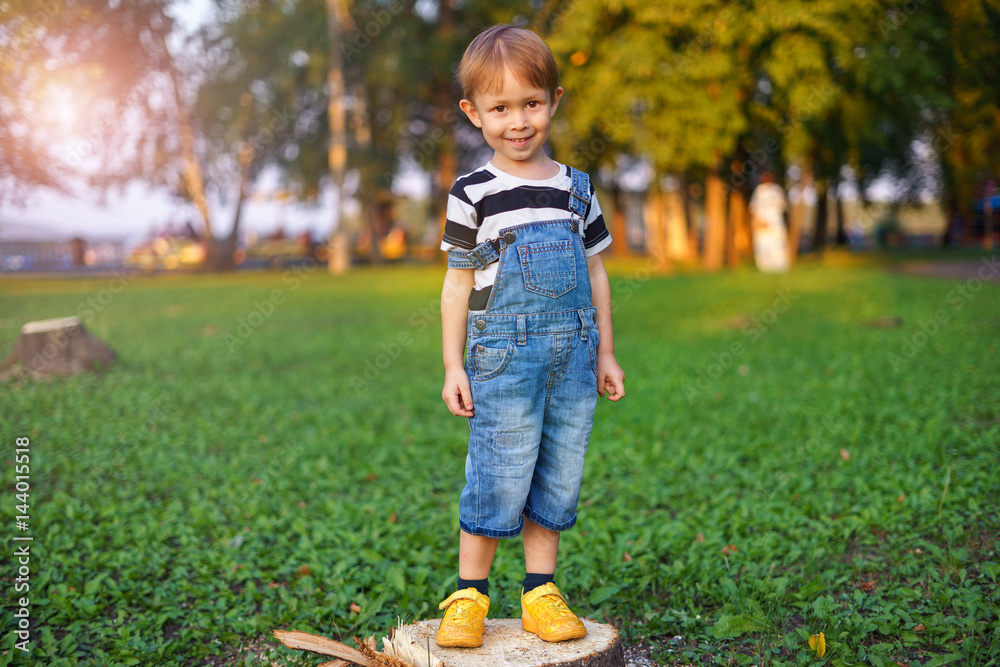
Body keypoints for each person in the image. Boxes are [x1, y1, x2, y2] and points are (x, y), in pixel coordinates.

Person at [436, 24, 626, 649]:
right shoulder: (473, 193)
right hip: (501, 356)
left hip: (572, 354)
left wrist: (605, 351)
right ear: (474, 113)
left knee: (557, 470)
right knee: (498, 468)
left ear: (554, 100)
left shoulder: (576, 188)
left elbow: (596, 271)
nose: (518, 121)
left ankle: (541, 591)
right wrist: (452, 365)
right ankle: (470, 595)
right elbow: (458, 285)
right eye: (500, 108)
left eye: (531, 104)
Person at [748, 170, 790, 273]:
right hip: (764, 222)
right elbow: (754, 208)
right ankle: (766, 267)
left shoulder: (775, 190)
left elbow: (782, 206)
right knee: (763, 244)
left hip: (775, 223)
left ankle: (777, 266)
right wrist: (757, 221)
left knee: (776, 244)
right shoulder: (760, 191)